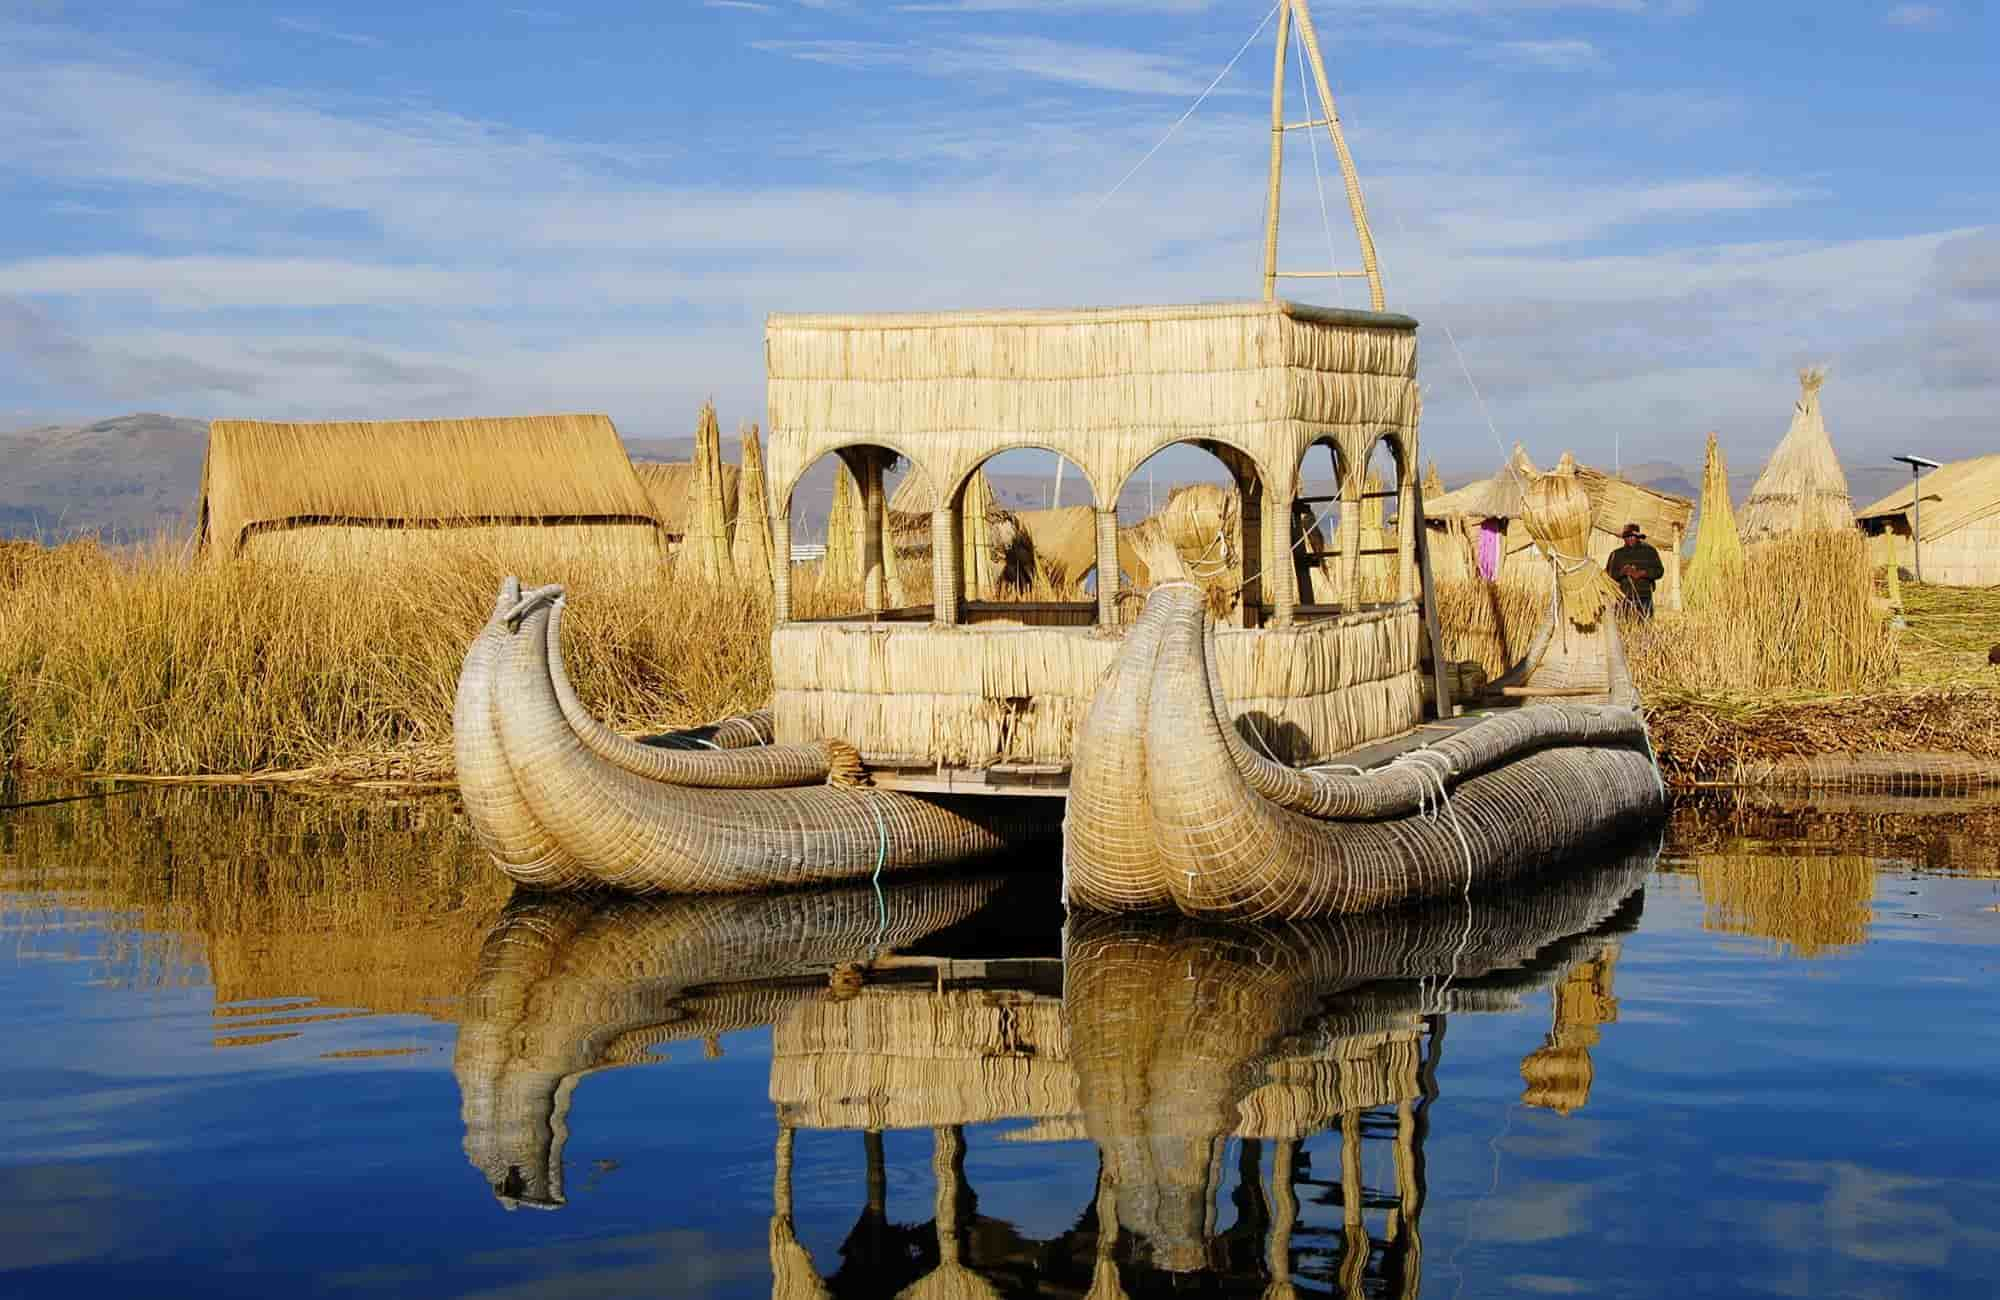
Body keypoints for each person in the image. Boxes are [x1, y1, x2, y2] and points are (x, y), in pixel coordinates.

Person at [1606, 522, 1665, 618]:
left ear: (1638, 537)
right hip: (1623, 598)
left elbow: (1659, 571)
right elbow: (1608, 576)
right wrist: (1622, 572)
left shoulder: (1650, 551)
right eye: (1627, 537)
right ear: (1624, 538)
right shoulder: (1616, 554)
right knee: (1624, 628)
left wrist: (1643, 573)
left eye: (1633, 536)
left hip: (1644, 598)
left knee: (1645, 628)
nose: (1630, 539)